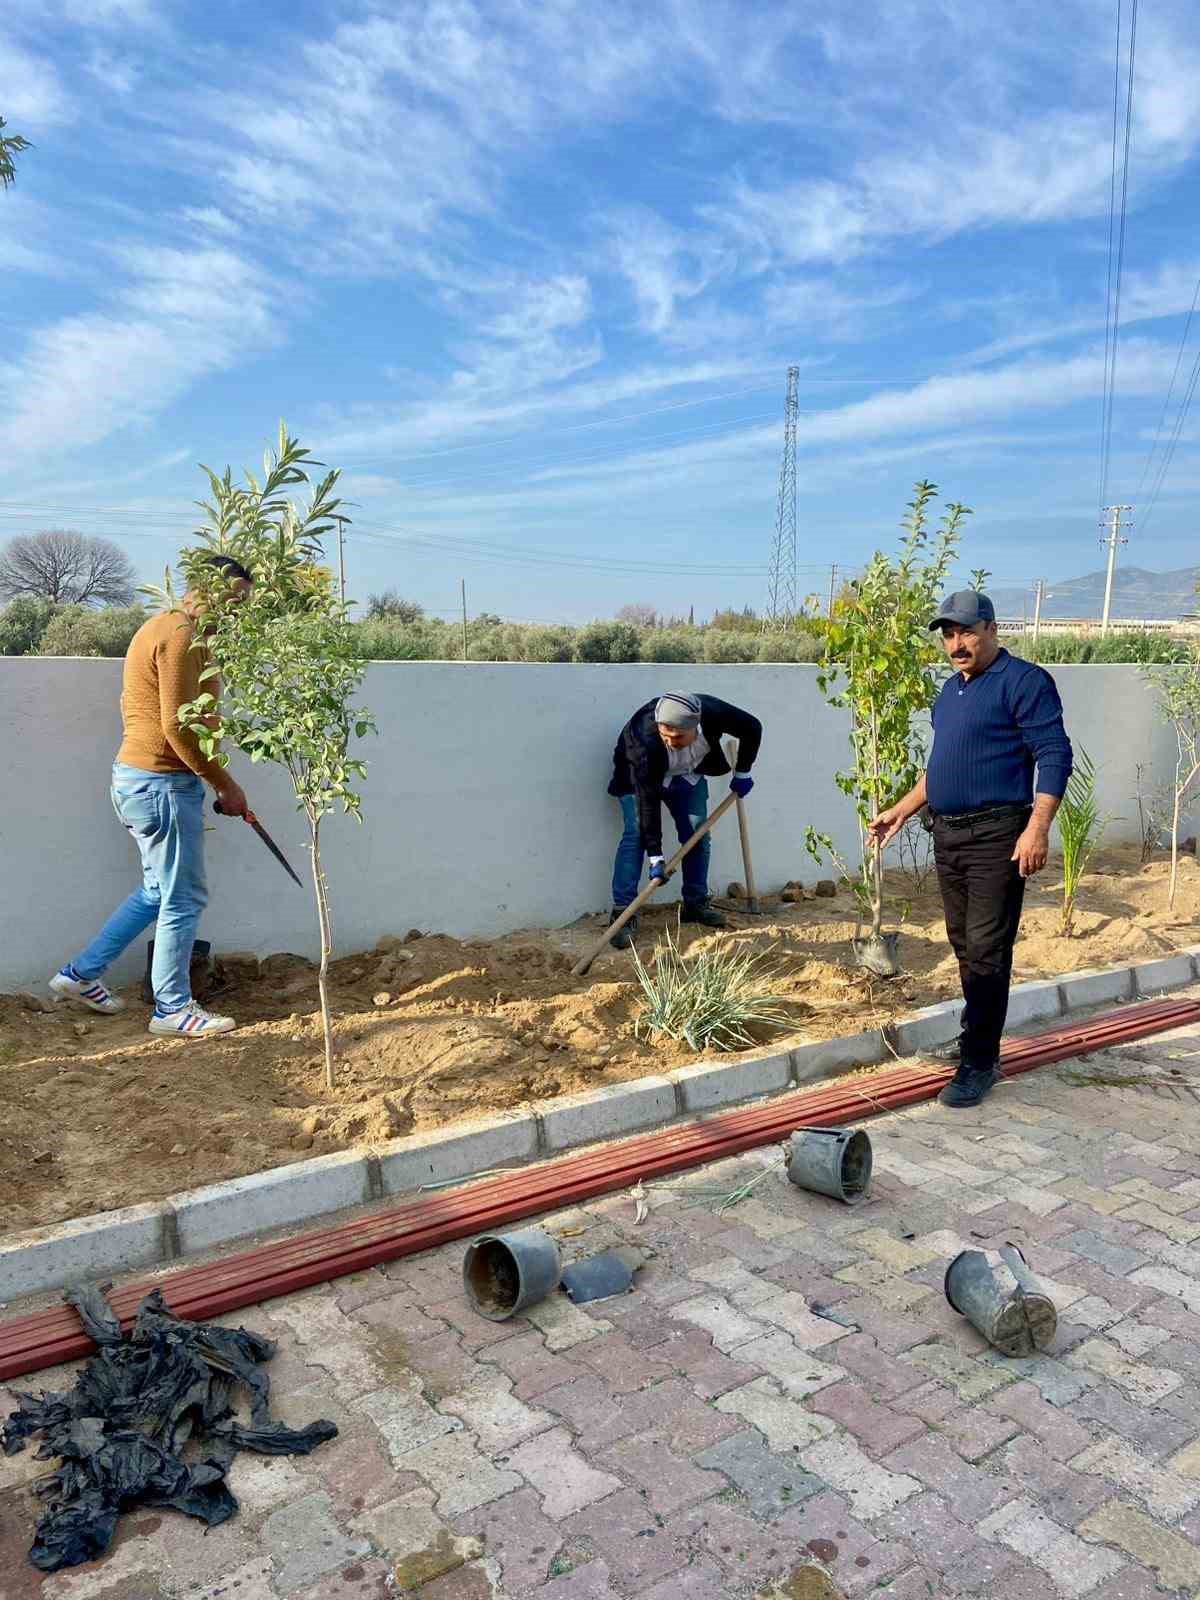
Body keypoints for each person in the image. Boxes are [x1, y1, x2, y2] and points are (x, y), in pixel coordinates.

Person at [868, 590, 1073, 1108]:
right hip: (950, 834)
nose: (956, 644)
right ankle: (974, 1037)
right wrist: (902, 808)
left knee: (986, 948)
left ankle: (980, 1061)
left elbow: (1053, 754)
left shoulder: (1024, 682)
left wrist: (1038, 827)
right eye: (948, 634)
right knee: (963, 942)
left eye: (966, 632)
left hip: (999, 835)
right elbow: (942, 766)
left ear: (992, 628)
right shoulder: (950, 691)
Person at [48, 555, 253, 1037]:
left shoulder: (172, 629)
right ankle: (172, 1008)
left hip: (142, 780)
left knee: (158, 891)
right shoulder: (181, 635)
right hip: (160, 781)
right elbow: (178, 728)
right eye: (237, 598)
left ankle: (80, 975)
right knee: (184, 895)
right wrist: (225, 784)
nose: (240, 610)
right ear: (208, 589)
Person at [606, 690, 762, 948]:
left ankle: (695, 904)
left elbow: (752, 728)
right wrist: (656, 855)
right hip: (641, 781)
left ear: (695, 727)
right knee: (636, 836)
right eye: (665, 735)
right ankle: (623, 913)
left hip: (688, 775)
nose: (670, 741)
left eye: (678, 737)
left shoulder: (711, 712)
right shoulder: (642, 740)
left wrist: (743, 772)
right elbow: (648, 802)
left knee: (698, 833)